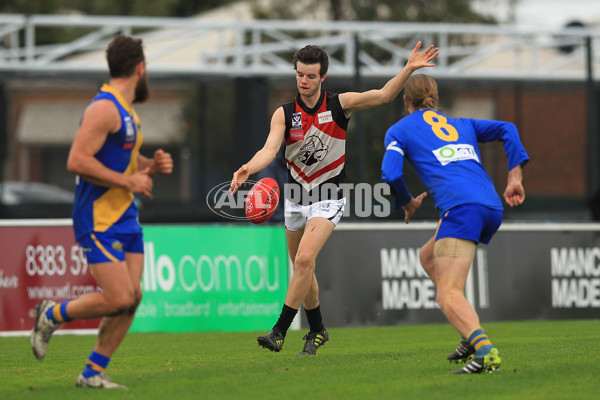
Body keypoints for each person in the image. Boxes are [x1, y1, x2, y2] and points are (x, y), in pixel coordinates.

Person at [230, 41, 439, 355]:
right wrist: (249, 167)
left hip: (329, 197)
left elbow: (383, 95)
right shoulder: (284, 114)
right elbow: (270, 150)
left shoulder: (340, 105)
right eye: (300, 74)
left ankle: (279, 331)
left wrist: (408, 68)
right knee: (305, 270)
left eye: (311, 76)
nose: (304, 81)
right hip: (295, 201)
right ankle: (317, 330)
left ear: (322, 77)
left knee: (303, 260)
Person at [30, 35, 173, 389]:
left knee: (132, 298)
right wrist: (129, 183)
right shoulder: (104, 107)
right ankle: (51, 314)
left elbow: (123, 162)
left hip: (125, 216)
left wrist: (150, 166)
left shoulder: (127, 111)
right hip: (97, 218)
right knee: (119, 297)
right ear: (140, 68)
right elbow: (77, 161)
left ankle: (92, 373)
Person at [380, 74, 529, 373]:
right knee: (426, 256)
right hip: (490, 206)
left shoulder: (399, 131)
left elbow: (391, 173)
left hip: (462, 209)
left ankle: (485, 350)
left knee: (447, 293)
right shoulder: (462, 124)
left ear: (406, 101)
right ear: (435, 99)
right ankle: (467, 335)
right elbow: (508, 129)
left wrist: (408, 202)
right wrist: (515, 177)